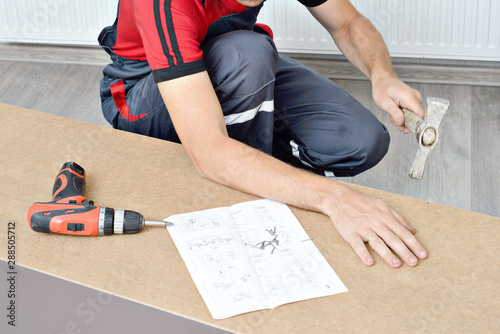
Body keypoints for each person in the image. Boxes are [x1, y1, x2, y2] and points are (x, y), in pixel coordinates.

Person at [98, 0, 428, 268]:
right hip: (145, 91)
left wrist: (383, 74)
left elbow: (347, 22)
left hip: (231, 61)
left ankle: (252, 158)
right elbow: (209, 151)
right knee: (247, 54)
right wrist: (334, 198)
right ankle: (245, 181)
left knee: (362, 141)